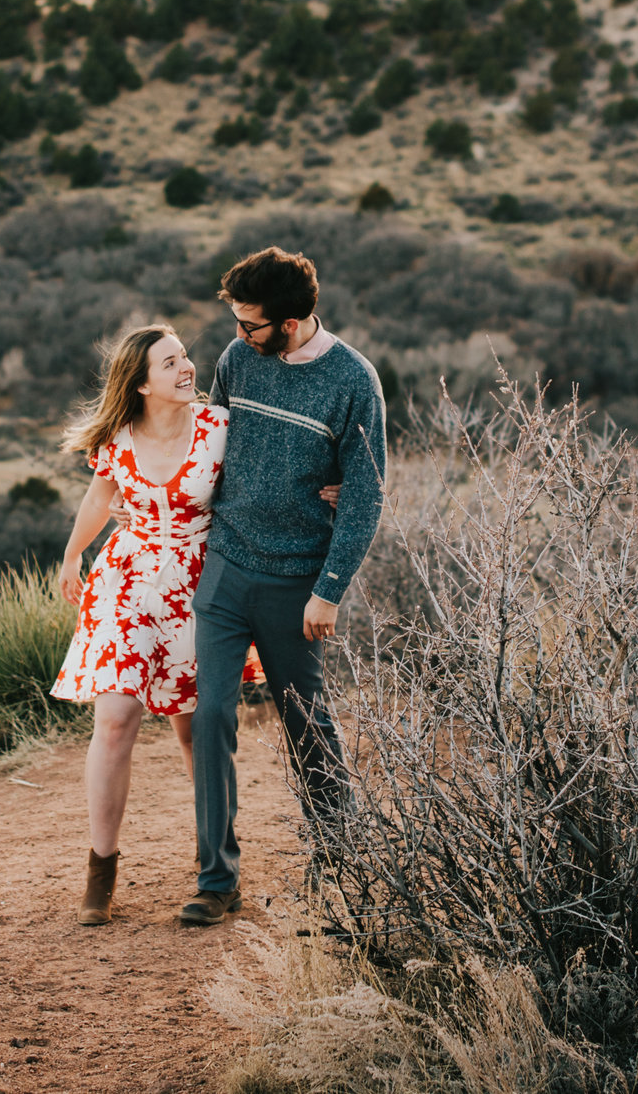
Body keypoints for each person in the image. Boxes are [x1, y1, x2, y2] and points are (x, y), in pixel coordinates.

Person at [181, 245, 386, 928]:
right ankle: (217, 879)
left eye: (251, 324)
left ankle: (345, 865)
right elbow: (206, 449)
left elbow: (363, 495)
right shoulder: (237, 362)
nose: (237, 336)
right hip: (226, 568)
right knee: (210, 716)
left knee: (308, 725)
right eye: (236, 322)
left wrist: (328, 589)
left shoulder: (354, 381)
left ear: (293, 322)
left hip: (296, 584)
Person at [48, 324, 262, 926]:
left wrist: (328, 491)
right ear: (142, 383)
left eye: (185, 357)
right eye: (171, 363)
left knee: (197, 729)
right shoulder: (118, 437)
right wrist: (71, 556)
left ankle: (216, 867)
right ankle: (101, 870)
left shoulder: (220, 427)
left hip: (200, 586)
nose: (188, 368)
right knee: (114, 721)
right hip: (128, 580)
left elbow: (264, 479)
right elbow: (98, 499)